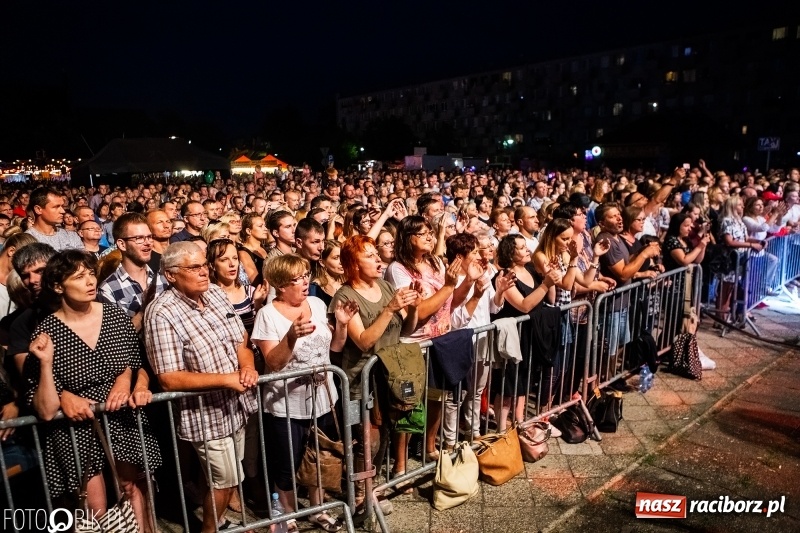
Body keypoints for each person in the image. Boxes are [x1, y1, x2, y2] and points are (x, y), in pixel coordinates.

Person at [26, 250, 161, 533]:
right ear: (57, 286)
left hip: (120, 416)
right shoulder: (47, 331)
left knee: (132, 488)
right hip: (76, 429)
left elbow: (133, 361)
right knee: (94, 506)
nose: (90, 282)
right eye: (79, 277)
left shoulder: (113, 315)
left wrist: (125, 382)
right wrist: (48, 366)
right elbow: (46, 409)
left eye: (91, 274)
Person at [144, 241, 259, 533]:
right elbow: (169, 377)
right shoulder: (161, 313)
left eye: (204, 265)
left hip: (237, 405)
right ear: (171, 275)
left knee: (233, 476)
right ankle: (209, 529)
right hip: (206, 415)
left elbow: (240, 339)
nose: (204, 272)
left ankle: (218, 522)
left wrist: (245, 366)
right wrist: (227, 379)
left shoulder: (217, 294)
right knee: (225, 480)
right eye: (194, 268)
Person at [252, 254, 357, 532]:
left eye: (305, 275)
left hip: (325, 398)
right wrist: (290, 337)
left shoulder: (317, 303)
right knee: (287, 466)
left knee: (321, 457)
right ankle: (285, 515)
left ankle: (317, 508)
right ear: (280, 285)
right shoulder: (267, 315)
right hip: (286, 404)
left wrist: (343, 325)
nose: (304, 282)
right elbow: (273, 363)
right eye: (296, 279)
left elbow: (334, 347)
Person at [329, 235, 419, 511]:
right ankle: (359, 495)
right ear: (353, 263)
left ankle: (373, 486)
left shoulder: (384, 285)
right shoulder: (345, 295)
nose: (378, 259)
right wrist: (390, 308)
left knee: (384, 435)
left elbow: (406, 329)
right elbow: (364, 340)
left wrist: (413, 308)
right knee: (366, 438)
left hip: (387, 377)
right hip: (358, 381)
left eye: (376, 254)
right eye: (369, 255)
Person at [445, 233, 514, 444]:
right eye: (474, 252)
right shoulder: (451, 282)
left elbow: (493, 307)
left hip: (483, 341)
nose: (478, 255)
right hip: (461, 343)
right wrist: (474, 295)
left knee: (476, 392)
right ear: (459, 256)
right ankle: (449, 440)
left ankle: (474, 433)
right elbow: (456, 320)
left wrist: (500, 291)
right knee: (455, 396)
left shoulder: (483, 275)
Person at [491, 234, 560, 429]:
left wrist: (550, 277)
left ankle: (520, 421)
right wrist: (546, 283)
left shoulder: (530, 269)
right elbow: (524, 306)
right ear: (510, 253)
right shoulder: (504, 276)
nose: (527, 250)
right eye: (521, 248)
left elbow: (551, 299)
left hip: (531, 335)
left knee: (524, 382)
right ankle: (502, 430)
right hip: (513, 338)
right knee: (508, 386)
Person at [98, 213, 167, 333]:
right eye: (139, 238)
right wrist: (143, 311)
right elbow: (117, 338)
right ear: (122, 244)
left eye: (149, 237)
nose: (148, 243)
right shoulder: (108, 289)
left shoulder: (163, 277)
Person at [311, 239, 346, 308]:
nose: (341, 262)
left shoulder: (348, 283)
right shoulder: (315, 288)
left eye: (343, 257)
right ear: (322, 262)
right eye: (336, 258)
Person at [238, 213, 268, 287]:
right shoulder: (243, 253)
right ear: (248, 231)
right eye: (260, 226)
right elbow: (256, 282)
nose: (265, 229)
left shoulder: (265, 248)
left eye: (265, 225)